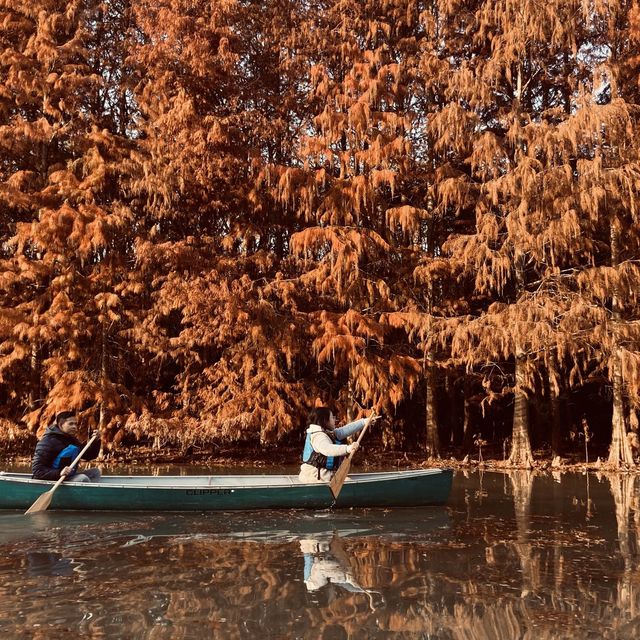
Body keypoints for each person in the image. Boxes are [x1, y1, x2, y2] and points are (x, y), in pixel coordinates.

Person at [299, 406, 374, 483]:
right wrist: (348, 448)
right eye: (332, 418)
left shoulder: (326, 432)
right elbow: (328, 449)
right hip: (315, 476)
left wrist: (364, 422)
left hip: (322, 475)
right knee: (348, 481)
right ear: (325, 420)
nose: (335, 420)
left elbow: (344, 430)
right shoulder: (318, 436)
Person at [32, 411, 102, 483]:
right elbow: (37, 470)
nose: (74, 427)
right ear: (61, 424)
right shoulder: (48, 442)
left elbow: (90, 455)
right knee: (82, 478)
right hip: (52, 479)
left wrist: (96, 441)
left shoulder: (71, 440)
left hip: (66, 477)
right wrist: (59, 473)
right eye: (71, 424)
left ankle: (91, 493)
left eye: (75, 424)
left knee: (95, 472)